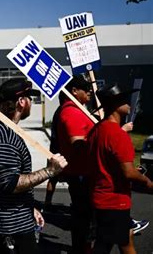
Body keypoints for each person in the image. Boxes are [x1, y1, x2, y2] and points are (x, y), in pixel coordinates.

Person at [0, 78, 67, 254]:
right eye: (30, 98)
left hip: (8, 221)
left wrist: (30, 208)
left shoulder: (3, 129)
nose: (31, 103)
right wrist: (50, 171)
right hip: (10, 229)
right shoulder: (5, 137)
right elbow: (10, 183)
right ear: (21, 102)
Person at [88, 83, 153, 254]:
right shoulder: (117, 134)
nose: (129, 104)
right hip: (115, 200)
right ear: (115, 105)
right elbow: (128, 172)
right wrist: (147, 181)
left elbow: (105, 162)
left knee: (107, 243)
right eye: (124, 100)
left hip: (100, 198)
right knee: (123, 244)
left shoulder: (97, 130)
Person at [54, 75, 96, 253]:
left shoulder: (77, 109)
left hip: (81, 171)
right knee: (83, 216)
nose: (89, 91)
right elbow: (78, 144)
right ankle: (82, 249)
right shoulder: (72, 111)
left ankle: (83, 247)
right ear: (73, 91)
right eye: (85, 88)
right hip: (80, 172)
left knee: (83, 215)